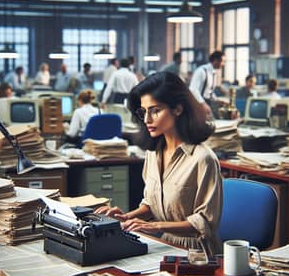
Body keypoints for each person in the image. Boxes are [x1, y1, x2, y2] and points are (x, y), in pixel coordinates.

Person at [96, 71, 223, 256]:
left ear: (177, 109)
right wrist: (126, 217)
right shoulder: (152, 153)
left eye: (155, 111)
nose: (147, 119)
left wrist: (154, 226)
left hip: (195, 252)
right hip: (160, 243)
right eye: (143, 112)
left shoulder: (203, 159)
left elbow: (204, 224)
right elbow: (151, 206)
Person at [189, 51, 225, 118]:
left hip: (207, 103)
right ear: (216, 60)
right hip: (197, 104)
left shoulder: (213, 72)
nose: (223, 64)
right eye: (222, 61)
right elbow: (193, 89)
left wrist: (217, 100)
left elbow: (209, 91)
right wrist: (203, 104)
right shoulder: (201, 71)